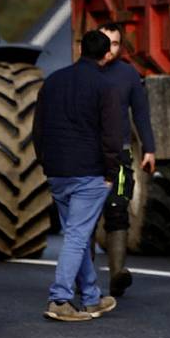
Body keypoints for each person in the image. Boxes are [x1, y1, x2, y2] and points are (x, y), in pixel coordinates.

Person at [32, 29, 125, 322]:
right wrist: (112, 172)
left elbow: (38, 128)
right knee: (76, 235)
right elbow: (112, 135)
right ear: (106, 54)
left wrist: (45, 162)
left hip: (57, 171)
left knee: (79, 235)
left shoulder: (53, 82)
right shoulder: (105, 86)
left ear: (80, 49)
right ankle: (59, 298)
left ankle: (92, 298)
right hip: (89, 173)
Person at [99, 24, 157, 298]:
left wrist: (149, 148)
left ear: (121, 47)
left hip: (120, 155)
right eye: (105, 42)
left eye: (114, 43)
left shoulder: (128, 75)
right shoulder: (83, 73)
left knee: (118, 207)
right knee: (84, 217)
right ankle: (82, 276)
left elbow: (141, 113)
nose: (109, 49)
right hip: (88, 156)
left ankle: (117, 273)